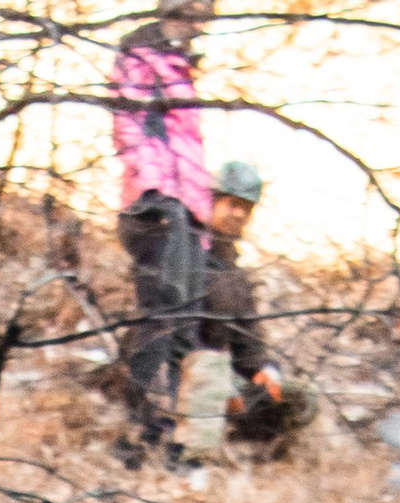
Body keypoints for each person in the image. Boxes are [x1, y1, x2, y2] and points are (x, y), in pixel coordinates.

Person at [111, 3, 211, 443]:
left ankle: (172, 434)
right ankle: (138, 429)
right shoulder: (141, 57)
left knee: (185, 320)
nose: (202, 21)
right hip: (157, 205)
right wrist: (157, 195)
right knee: (163, 314)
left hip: (186, 208)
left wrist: (198, 217)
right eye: (195, 10)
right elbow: (130, 125)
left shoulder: (181, 66)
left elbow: (186, 146)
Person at [196, 156, 317, 447]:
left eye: (246, 209)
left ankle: (243, 445)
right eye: (232, 204)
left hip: (226, 380)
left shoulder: (235, 271)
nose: (239, 214)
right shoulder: (187, 257)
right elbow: (177, 338)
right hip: (192, 378)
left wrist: (265, 370)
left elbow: (248, 340)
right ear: (213, 201)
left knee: (301, 397)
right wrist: (222, 385)